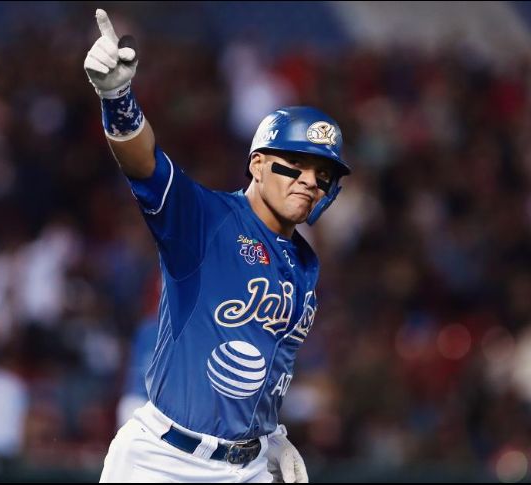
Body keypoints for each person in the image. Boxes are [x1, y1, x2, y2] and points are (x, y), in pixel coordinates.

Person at [84, 9, 351, 483]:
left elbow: (272, 360)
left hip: (245, 466)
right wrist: (116, 96)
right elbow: (143, 163)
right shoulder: (205, 219)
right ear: (258, 164)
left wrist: (269, 435)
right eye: (295, 164)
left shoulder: (305, 263)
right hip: (160, 461)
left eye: (322, 174)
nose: (309, 181)